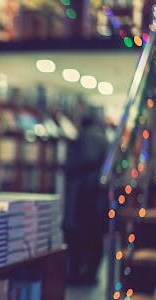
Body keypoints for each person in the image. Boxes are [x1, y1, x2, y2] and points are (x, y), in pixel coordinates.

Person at [63, 107, 110, 285]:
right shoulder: (101, 135)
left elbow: (85, 160)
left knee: (80, 236)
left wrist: (69, 167)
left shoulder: (89, 137)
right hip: (93, 197)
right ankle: (88, 273)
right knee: (92, 237)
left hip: (84, 197)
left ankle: (79, 274)